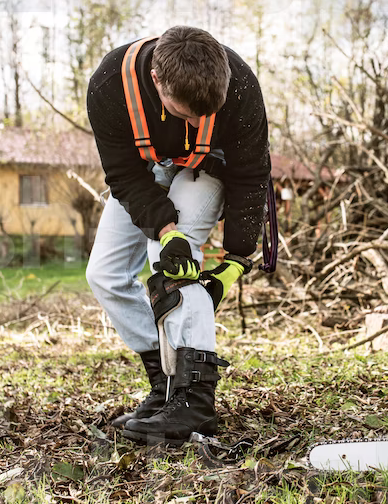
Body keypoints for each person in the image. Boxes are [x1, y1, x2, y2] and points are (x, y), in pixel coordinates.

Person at [85, 26, 271, 445]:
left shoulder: (241, 85)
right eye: (186, 113)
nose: (198, 122)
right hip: (144, 173)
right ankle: (167, 384)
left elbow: (252, 173)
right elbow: (123, 174)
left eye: (207, 113)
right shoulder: (109, 86)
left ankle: (195, 402)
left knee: (171, 263)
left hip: (210, 168)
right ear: (156, 79)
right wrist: (164, 227)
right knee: (104, 274)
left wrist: (237, 258)